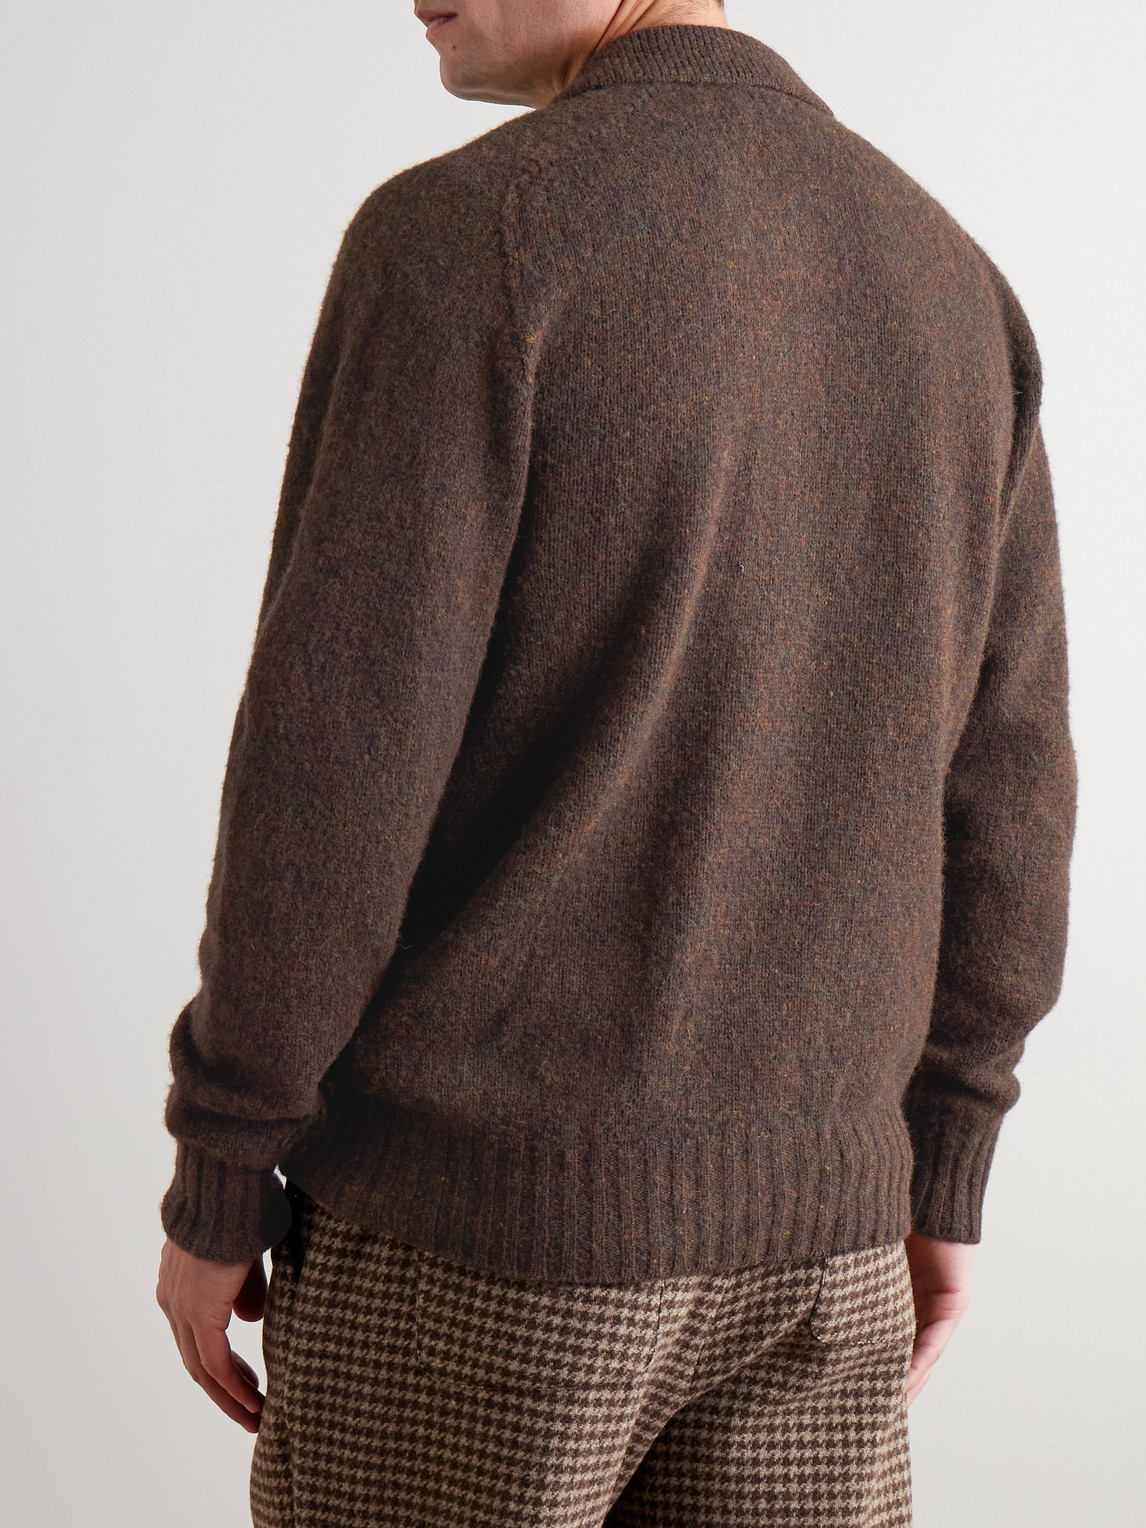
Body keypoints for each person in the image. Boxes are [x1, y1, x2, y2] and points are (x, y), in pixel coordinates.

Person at [155, 2, 1077, 1524]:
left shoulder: (473, 233)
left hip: (480, 1248)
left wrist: (225, 1154)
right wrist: (942, 1156)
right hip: (828, 1254)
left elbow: (334, 767)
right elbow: (1011, 784)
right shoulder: (946, 275)